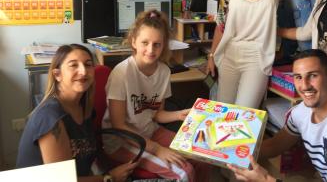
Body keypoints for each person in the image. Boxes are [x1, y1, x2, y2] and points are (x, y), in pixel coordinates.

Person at [228, 49, 327, 182]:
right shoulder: (301, 112)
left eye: (313, 76)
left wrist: (265, 180)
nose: (304, 85)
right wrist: (230, 149)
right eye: (298, 77)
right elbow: (274, 146)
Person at [101, 9, 209, 182]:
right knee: (184, 172)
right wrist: (157, 149)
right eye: (145, 42)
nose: (151, 50)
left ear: (163, 46)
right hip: (121, 141)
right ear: (134, 41)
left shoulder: (164, 72)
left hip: (149, 131)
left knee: (202, 155)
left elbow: (157, 114)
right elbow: (119, 125)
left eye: (157, 44)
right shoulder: (121, 74)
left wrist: (180, 115)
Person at [16, 44, 137, 182]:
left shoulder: (85, 109)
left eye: (88, 65)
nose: (83, 71)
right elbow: (63, 180)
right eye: (73, 65)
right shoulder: (50, 117)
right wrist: (109, 178)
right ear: (57, 75)